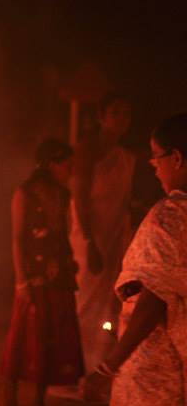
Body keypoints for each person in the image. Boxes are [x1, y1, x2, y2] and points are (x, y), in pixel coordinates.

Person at [86, 113, 187, 406]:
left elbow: (153, 299)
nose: (154, 166)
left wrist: (113, 360)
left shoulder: (170, 218)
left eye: (156, 157)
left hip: (155, 371)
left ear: (177, 158)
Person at [2, 138, 84, 406]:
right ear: (50, 164)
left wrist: (70, 262)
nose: (70, 168)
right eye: (65, 163)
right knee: (24, 332)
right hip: (33, 272)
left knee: (53, 332)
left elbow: (63, 232)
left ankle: (39, 398)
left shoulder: (63, 195)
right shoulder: (24, 194)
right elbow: (16, 239)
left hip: (58, 271)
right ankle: (9, 397)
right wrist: (20, 280)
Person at [71, 94, 135, 372]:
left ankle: (99, 367)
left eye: (126, 114)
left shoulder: (125, 156)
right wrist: (89, 240)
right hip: (90, 234)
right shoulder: (87, 151)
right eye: (115, 113)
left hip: (115, 233)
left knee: (110, 301)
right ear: (101, 117)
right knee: (84, 297)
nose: (121, 120)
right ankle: (75, 367)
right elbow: (80, 198)